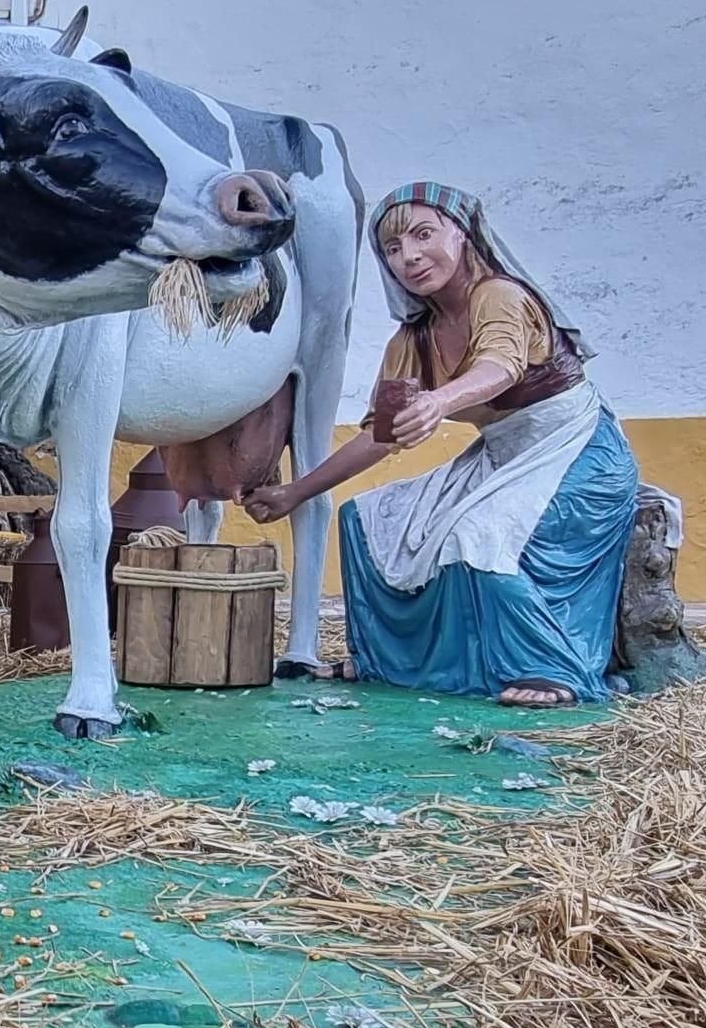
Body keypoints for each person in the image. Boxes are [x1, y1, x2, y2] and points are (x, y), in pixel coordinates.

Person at [243, 181, 657, 707]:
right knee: (368, 522)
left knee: (477, 535)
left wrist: (439, 402)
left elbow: (500, 367)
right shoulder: (413, 338)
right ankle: (389, 663)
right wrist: (296, 492)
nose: (409, 256)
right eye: (392, 248)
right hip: (502, 455)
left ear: (462, 235)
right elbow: (381, 435)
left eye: (423, 235)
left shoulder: (501, 296)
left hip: (575, 449)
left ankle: (553, 670)